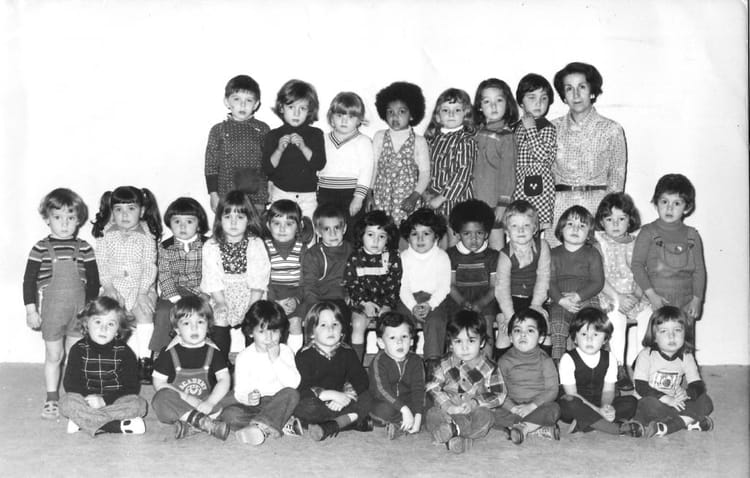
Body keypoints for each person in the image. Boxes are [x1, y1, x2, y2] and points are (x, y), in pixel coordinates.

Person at [23, 188, 99, 420]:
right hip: (52, 313)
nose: (64, 224)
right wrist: (31, 310)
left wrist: (90, 310)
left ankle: (75, 395)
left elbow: (93, 282)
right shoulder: (40, 248)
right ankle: (52, 398)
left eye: (70, 217)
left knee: (76, 356)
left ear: (79, 220)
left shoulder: (84, 248)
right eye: (58, 217)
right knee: (54, 356)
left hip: (79, 312)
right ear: (47, 219)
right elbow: (29, 281)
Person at [551, 62, 627, 245]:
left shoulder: (611, 129)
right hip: (559, 211)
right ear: (563, 95)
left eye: (582, 87)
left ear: (592, 91)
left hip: (597, 209)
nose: (576, 94)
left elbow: (616, 179)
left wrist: (608, 216)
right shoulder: (551, 129)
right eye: (569, 88)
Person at [91, 186, 162, 383]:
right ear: (112, 211)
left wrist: (142, 293)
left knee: (144, 313)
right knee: (108, 314)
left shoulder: (147, 235)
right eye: (118, 209)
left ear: (142, 210)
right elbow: (101, 263)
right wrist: (108, 287)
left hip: (141, 288)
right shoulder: (105, 234)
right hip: (113, 286)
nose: (124, 215)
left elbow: (149, 266)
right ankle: (113, 358)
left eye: (131, 208)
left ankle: (144, 361)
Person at [60, 297, 148, 436]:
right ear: (86, 324)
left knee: (139, 404)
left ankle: (83, 422)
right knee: (66, 403)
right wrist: (89, 399)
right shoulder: (77, 349)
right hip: (86, 400)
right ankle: (116, 426)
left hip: (114, 400)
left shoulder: (125, 352)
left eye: (111, 324)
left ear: (118, 329)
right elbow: (71, 383)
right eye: (98, 322)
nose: (103, 328)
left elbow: (131, 387)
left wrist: (104, 401)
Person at [201, 190, 270, 361]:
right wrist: (220, 302)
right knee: (220, 317)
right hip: (222, 294)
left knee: (255, 320)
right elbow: (211, 277)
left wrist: (252, 305)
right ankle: (220, 364)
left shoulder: (255, 243)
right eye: (227, 217)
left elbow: (259, 277)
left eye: (239, 217)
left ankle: (254, 361)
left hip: (251, 294)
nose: (233, 222)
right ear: (219, 219)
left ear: (249, 220)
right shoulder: (211, 245)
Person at [220, 301, 301, 445]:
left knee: (292, 394)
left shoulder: (285, 351)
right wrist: (248, 398)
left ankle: (260, 427)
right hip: (254, 406)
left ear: (281, 331)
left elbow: (293, 384)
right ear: (251, 332)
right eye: (262, 332)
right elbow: (240, 391)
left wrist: (275, 359)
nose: (269, 338)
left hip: (278, 403)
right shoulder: (244, 356)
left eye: (274, 331)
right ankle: (274, 423)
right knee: (229, 415)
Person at [425, 310, 506, 454]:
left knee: (486, 417)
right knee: (432, 414)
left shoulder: (489, 367)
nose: (465, 347)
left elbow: (498, 394)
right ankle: (459, 436)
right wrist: (448, 405)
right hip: (449, 411)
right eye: (458, 341)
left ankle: (452, 432)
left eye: (471, 341)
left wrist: (475, 403)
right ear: (451, 343)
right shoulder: (444, 362)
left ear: (482, 342)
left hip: (474, 412)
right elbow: (432, 386)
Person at [151, 296, 231, 441]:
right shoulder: (168, 353)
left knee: (234, 395)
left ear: (208, 325)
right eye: (187, 323)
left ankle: (191, 425)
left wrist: (211, 402)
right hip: (179, 402)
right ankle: (202, 422)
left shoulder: (214, 351)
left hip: (207, 402)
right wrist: (188, 398)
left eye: (200, 322)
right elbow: (159, 383)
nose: (194, 328)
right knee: (160, 399)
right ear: (177, 329)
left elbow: (224, 379)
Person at [631, 174, 706, 327]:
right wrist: (652, 296)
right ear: (656, 203)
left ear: (687, 208)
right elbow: (637, 266)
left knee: (683, 340)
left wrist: (697, 300)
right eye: (664, 201)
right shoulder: (647, 232)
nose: (669, 208)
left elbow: (699, 271)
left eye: (677, 203)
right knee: (657, 339)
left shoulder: (692, 235)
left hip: (686, 304)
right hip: (656, 303)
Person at [594, 192, 651, 391]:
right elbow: (597, 277)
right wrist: (618, 298)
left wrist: (637, 296)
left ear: (630, 219)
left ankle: (641, 362)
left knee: (649, 316)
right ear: (602, 221)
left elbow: (644, 271)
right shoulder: (599, 242)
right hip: (610, 295)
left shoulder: (638, 242)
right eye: (609, 219)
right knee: (616, 320)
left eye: (621, 218)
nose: (615, 224)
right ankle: (618, 366)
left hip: (636, 295)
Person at [294, 302, 374, 441]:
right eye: (323, 325)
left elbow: (360, 378)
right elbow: (301, 387)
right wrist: (330, 395)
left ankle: (329, 426)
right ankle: (349, 422)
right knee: (304, 406)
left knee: (367, 397)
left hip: (343, 401)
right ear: (312, 332)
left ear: (342, 330)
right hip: (319, 401)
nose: (330, 329)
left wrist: (348, 396)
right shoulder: (304, 355)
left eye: (335, 324)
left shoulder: (347, 352)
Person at [558, 307, 642, 437]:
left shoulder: (610, 358)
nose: (589, 339)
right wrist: (598, 411)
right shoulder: (568, 359)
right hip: (576, 404)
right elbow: (572, 393)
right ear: (574, 338)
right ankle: (614, 428)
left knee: (631, 401)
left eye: (596, 335)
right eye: (584, 334)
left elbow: (608, 390)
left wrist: (606, 407)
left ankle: (586, 423)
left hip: (599, 402)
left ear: (605, 339)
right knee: (568, 402)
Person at [633, 306, 714, 437]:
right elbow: (641, 386)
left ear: (685, 333)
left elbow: (698, 385)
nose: (671, 336)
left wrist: (687, 393)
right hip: (651, 400)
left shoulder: (686, 356)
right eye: (664, 331)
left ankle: (667, 426)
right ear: (654, 337)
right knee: (649, 406)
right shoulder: (646, 355)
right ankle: (688, 420)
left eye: (677, 330)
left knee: (706, 402)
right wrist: (666, 399)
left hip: (676, 402)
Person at [152, 197, 210, 355]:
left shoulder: (208, 245)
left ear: (199, 224)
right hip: (174, 291)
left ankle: (209, 352)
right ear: (170, 223)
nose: (183, 226)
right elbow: (164, 275)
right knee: (164, 312)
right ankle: (160, 353)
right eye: (177, 221)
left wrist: (207, 293)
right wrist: (176, 299)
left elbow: (212, 272)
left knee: (210, 311)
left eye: (189, 221)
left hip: (201, 290)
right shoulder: (165, 247)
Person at [205, 74, 271, 212]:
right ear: (227, 102)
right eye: (236, 99)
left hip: (256, 196)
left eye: (248, 100)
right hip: (226, 195)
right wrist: (213, 195)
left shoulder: (263, 129)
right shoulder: (218, 130)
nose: (242, 105)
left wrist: (271, 187)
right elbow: (211, 165)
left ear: (256, 104)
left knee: (256, 224)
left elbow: (269, 163)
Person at [262, 79, 326, 219]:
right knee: (281, 228)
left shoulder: (315, 134)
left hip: (308, 196)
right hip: (281, 194)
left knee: (308, 229)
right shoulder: (273, 135)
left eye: (302, 108)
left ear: (309, 111)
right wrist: (279, 150)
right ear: (281, 108)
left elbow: (319, 163)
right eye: (291, 107)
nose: (296, 113)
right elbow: (267, 169)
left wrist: (303, 147)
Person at [495, 308, 560, 444]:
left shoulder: (545, 360)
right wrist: (512, 407)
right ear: (510, 337)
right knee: (490, 410)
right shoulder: (504, 361)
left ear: (541, 338)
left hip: (538, 406)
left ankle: (523, 427)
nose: (523, 335)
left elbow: (552, 390)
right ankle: (536, 427)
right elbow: (498, 391)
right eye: (517, 330)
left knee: (554, 408)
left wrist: (532, 406)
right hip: (513, 407)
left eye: (530, 330)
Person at [344, 210, 403, 362]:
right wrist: (364, 303)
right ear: (361, 235)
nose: (375, 241)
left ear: (388, 238)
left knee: (388, 326)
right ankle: (356, 365)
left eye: (381, 236)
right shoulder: (355, 257)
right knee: (357, 324)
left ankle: (387, 363)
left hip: (385, 303)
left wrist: (386, 305)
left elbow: (394, 284)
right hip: (362, 302)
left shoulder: (392, 258)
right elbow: (351, 283)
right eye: (370, 235)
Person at [494, 200, 551, 357]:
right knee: (505, 328)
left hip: (535, 298)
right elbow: (501, 289)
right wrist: (510, 316)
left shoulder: (543, 246)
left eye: (526, 225)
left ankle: (547, 362)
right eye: (514, 226)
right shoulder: (505, 255)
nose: (520, 230)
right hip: (510, 300)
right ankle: (501, 366)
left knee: (544, 324)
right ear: (507, 231)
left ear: (535, 228)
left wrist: (536, 304)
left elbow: (543, 277)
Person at [548, 205, 604, 361]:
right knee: (557, 325)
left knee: (593, 324)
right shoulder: (553, 254)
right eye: (570, 224)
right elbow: (548, 282)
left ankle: (595, 361)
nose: (575, 229)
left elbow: (598, 282)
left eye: (582, 226)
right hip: (560, 299)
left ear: (589, 234)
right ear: (561, 228)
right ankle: (558, 363)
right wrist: (561, 300)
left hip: (587, 298)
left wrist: (578, 296)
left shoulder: (592, 253)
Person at [398, 208, 451, 367]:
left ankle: (433, 365)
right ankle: (403, 361)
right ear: (408, 237)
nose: (420, 239)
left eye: (426, 233)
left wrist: (430, 304)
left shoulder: (442, 257)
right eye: (414, 234)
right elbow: (402, 287)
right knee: (401, 323)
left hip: (434, 299)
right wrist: (413, 306)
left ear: (436, 236)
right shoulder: (404, 257)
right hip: (408, 299)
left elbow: (444, 287)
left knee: (436, 321)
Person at [371, 81, 430, 225]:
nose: (395, 117)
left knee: (405, 232)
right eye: (390, 112)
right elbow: (373, 168)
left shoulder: (419, 141)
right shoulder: (379, 136)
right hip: (381, 197)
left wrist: (414, 197)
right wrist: (369, 194)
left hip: (407, 200)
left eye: (401, 111)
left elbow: (425, 173)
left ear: (412, 115)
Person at [446, 199, 499, 356]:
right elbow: (451, 286)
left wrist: (481, 304)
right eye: (467, 234)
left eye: (479, 233)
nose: (474, 239)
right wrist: (462, 302)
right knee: (455, 326)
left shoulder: (492, 256)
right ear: (457, 234)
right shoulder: (451, 255)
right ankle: (454, 362)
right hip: (458, 299)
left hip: (485, 300)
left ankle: (488, 363)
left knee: (486, 325)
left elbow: (494, 287)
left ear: (487, 233)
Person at [318, 91, 374, 238]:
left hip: (351, 194)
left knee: (351, 232)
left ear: (359, 120)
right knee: (327, 232)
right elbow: (316, 166)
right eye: (339, 115)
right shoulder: (322, 139)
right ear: (331, 117)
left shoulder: (363, 141)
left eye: (350, 117)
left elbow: (366, 171)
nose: (344, 121)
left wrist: (359, 198)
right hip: (325, 193)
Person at [472, 78, 518, 250]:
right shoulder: (476, 133)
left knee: (496, 245)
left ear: (507, 104)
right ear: (479, 106)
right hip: (474, 200)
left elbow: (508, 174)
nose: (493, 106)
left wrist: (502, 205)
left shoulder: (506, 136)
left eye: (499, 100)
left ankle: (500, 268)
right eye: (487, 101)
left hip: (494, 203)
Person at [262, 199, 313, 354]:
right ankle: (270, 357)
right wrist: (274, 302)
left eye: (289, 224)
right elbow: (262, 280)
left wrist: (296, 300)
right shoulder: (264, 247)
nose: (282, 229)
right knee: (269, 324)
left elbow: (305, 282)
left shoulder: (302, 248)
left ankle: (293, 358)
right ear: (268, 225)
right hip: (271, 294)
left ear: (298, 226)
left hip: (295, 294)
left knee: (295, 322)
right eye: (277, 223)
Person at [423, 88, 477, 232]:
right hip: (431, 198)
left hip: (455, 200)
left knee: (453, 234)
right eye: (446, 110)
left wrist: (441, 198)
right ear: (438, 116)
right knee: (435, 235)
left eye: (457, 110)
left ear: (465, 114)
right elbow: (423, 169)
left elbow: (463, 173)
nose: (451, 114)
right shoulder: (432, 139)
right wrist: (425, 193)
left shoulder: (466, 141)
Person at [368, 312, 425, 439]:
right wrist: (404, 409)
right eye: (392, 338)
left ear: (411, 340)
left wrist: (418, 416)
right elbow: (382, 390)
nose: (399, 342)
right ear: (381, 343)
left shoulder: (416, 361)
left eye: (404, 336)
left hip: (407, 401)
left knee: (428, 404)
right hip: (385, 401)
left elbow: (418, 389)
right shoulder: (379, 361)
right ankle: (403, 423)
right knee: (384, 410)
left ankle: (403, 425)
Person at [511, 74, 556, 232]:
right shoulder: (516, 127)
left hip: (538, 186)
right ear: (521, 102)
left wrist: (531, 129)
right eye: (532, 97)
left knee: (534, 226)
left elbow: (544, 157)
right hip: (518, 183)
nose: (538, 103)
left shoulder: (546, 127)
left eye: (544, 98)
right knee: (518, 224)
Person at [300, 203, 353, 326]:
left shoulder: (352, 250)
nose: (332, 234)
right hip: (320, 300)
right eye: (326, 229)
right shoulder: (313, 255)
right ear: (318, 232)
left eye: (337, 228)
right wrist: (316, 308)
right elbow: (309, 286)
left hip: (345, 300)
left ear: (344, 229)